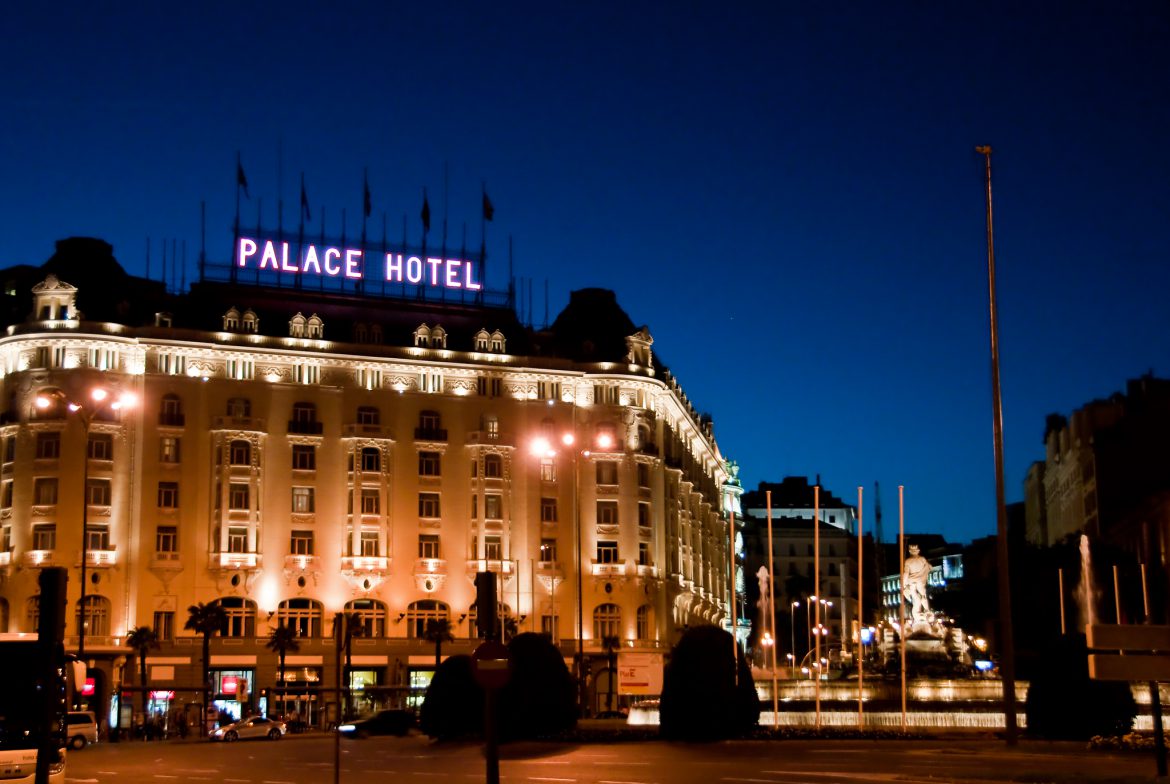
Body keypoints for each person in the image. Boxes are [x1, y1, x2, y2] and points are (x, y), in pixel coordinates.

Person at [901, 544, 932, 625]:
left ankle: (918, 615)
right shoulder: (922, 559)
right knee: (923, 596)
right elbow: (929, 567)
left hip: (911, 582)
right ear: (918, 551)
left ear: (910, 552)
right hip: (921, 582)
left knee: (915, 599)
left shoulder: (908, 561)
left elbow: (906, 573)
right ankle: (927, 610)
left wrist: (903, 585)